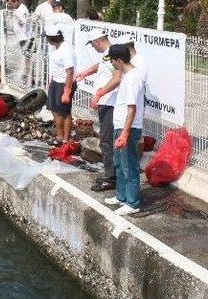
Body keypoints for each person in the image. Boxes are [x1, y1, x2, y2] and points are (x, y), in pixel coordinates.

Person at [75, 30, 122, 192]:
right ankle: (111, 174)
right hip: (107, 103)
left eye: (93, 45)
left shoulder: (113, 53)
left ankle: (111, 178)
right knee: (106, 140)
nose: (93, 48)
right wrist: (86, 72)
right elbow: (101, 66)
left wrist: (99, 94)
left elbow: (117, 77)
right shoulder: (108, 54)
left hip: (110, 104)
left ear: (97, 41)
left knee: (106, 141)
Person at [103, 44, 144, 216]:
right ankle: (121, 196)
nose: (112, 65)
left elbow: (132, 109)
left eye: (112, 61)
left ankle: (132, 203)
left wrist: (125, 133)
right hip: (120, 126)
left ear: (119, 60)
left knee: (129, 166)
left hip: (128, 129)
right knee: (119, 164)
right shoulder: (127, 76)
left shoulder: (133, 77)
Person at [45, 24, 76, 144]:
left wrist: (66, 92)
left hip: (64, 83)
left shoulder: (66, 50)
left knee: (64, 112)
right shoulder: (57, 48)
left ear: (52, 38)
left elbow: (70, 72)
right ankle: (60, 135)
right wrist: (51, 81)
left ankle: (64, 139)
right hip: (56, 81)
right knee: (53, 109)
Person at [8, 0, 33, 85]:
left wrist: (17, 19)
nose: (11, 6)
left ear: (16, 1)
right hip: (21, 38)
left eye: (11, 4)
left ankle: (30, 79)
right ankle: (28, 77)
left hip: (26, 37)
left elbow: (25, 23)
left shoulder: (23, 9)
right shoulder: (16, 9)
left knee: (27, 58)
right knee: (25, 58)